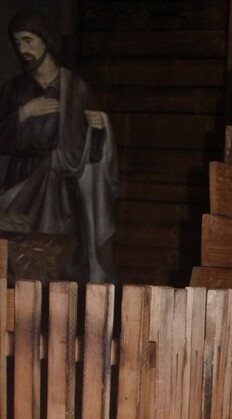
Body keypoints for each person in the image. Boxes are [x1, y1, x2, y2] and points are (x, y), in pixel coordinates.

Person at [0, 10, 119, 283]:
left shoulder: (76, 89)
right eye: (17, 43)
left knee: (63, 262)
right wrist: (23, 113)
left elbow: (92, 152)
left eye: (28, 41)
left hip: (64, 188)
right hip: (23, 183)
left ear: (45, 40)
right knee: (21, 260)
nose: (23, 50)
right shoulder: (14, 90)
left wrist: (100, 129)